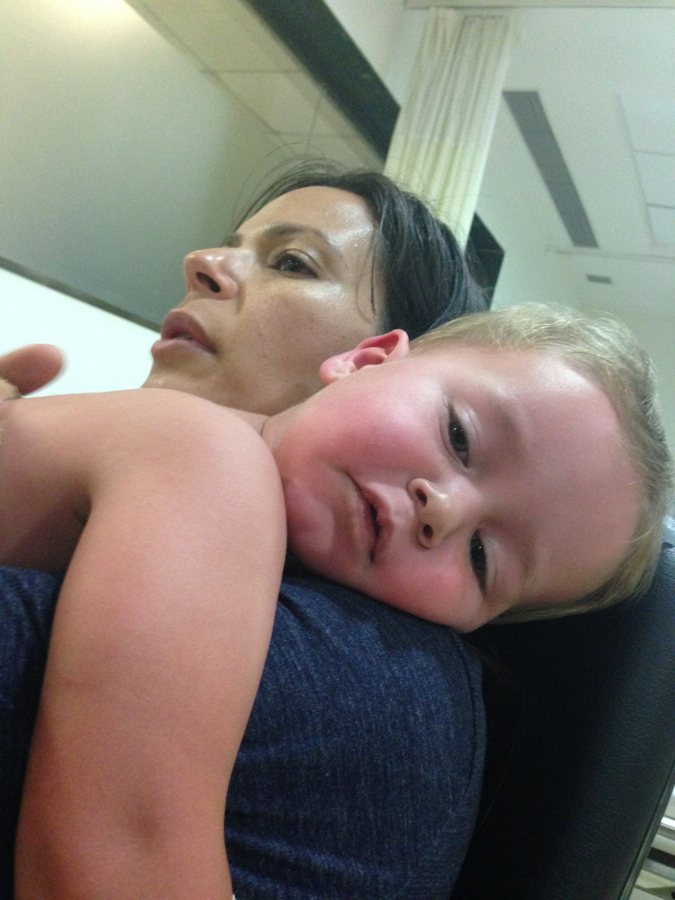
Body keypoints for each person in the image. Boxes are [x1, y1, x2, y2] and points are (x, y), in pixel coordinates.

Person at [1, 302, 672, 900]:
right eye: (459, 436)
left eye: (481, 557)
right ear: (364, 360)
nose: (443, 510)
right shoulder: (209, 464)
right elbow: (116, 859)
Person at [0, 166, 493, 900]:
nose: (203, 263)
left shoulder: (363, 672)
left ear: (375, 362)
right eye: (233, 245)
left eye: (292, 263)